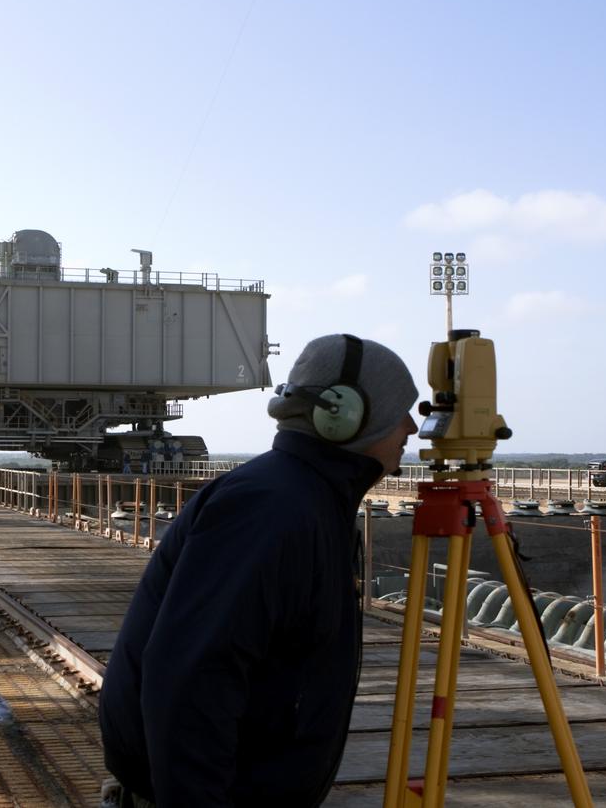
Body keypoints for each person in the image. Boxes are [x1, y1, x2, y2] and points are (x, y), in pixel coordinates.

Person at [99, 334, 419, 807]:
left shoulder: (304, 499)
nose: (411, 427)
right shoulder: (272, 510)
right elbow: (192, 679)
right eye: (399, 412)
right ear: (346, 416)